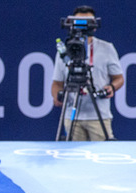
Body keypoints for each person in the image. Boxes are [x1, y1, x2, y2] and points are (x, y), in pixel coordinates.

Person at [51, 5, 124, 141]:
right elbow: (56, 83)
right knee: (73, 158)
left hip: (99, 116)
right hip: (72, 117)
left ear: (94, 26)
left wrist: (112, 87)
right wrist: (57, 96)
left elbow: (119, 78)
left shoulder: (107, 48)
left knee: (103, 156)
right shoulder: (64, 51)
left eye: (87, 22)